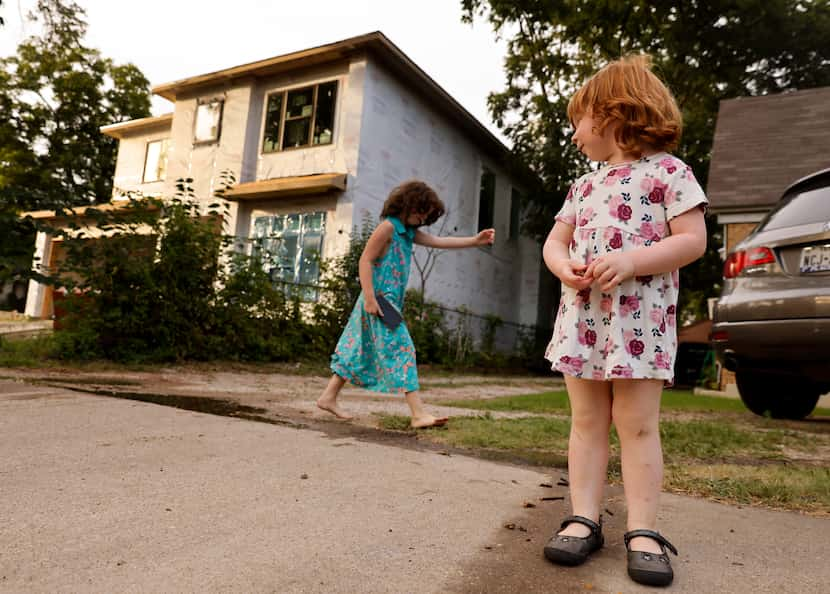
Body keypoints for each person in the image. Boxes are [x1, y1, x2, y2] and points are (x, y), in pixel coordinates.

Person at [540, 54, 708, 588]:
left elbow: (693, 241)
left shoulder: (669, 174)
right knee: (586, 422)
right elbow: (555, 240)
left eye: (577, 123)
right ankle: (583, 517)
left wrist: (633, 260)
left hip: (640, 323)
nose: (574, 136)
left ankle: (643, 530)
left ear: (613, 114)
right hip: (584, 319)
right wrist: (562, 266)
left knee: (636, 426)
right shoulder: (583, 186)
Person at [316, 180, 495, 428]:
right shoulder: (387, 228)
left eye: (427, 217)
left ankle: (328, 397)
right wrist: (369, 297)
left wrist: (474, 241)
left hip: (385, 302)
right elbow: (365, 260)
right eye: (422, 213)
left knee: (359, 348)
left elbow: (440, 241)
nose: (423, 219)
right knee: (404, 349)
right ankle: (418, 413)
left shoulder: (408, 233)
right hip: (378, 301)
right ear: (409, 205)